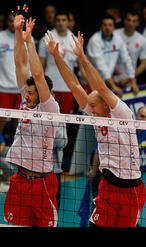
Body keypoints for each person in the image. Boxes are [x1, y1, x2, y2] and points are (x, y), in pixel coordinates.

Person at [44, 29, 145, 227]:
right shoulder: (95, 114)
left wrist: (82, 57)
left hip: (130, 189)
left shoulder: (122, 112)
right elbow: (74, 84)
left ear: (106, 104)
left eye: (93, 106)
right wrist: (56, 56)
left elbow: (101, 86)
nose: (89, 110)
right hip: (107, 186)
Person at [3, 5, 60, 227]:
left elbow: (37, 74)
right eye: (25, 92)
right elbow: (19, 63)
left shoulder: (50, 108)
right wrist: (18, 31)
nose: (26, 96)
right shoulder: (25, 101)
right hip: (19, 180)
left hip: (42, 183)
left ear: (42, 93)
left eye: (31, 93)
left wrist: (29, 42)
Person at [0, 13, 26, 134]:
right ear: (7, 22)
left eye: (16, 21)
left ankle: (17, 151)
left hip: (22, 89)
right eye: (10, 20)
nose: (13, 23)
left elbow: (30, 65)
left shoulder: (28, 38)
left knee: (20, 126)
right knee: (0, 125)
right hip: (3, 89)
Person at [38, 11, 83, 114]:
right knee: (49, 120)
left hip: (68, 88)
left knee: (65, 121)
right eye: (58, 20)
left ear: (68, 22)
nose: (61, 23)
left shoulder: (75, 40)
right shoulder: (46, 39)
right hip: (50, 88)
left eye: (63, 20)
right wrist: (39, 85)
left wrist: (92, 86)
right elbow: (41, 65)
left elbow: (82, 68)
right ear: (54, 22)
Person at [86, 15, 137, 97]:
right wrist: (114, 86)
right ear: (101, 27)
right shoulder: (95, 40)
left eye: (110, 25)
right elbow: (100, 66)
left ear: (114, 27)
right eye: (105, 25)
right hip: (90, 83)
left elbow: (126, 60)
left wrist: (133, 82)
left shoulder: (118, 39)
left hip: (107, 82)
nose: (107, 28)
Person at [113, 10, 146, 92]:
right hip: (111, 81)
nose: (131, 23)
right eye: (129, 20)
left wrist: (129, 78)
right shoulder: (114, 34)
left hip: (131, 83)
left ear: (138, 23)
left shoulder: (142, 40)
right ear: (124, 20)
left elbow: (144, 63)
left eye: (134, 21)